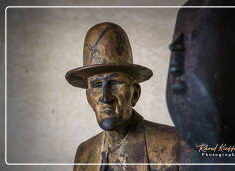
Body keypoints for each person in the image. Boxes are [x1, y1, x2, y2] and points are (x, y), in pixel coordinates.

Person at [65, 22, 193, 171]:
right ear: (88, 98)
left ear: (135, 94)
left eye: (115, 83)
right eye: (97, 85)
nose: (105, 97)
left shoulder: (176, 146)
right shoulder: (84, 154)